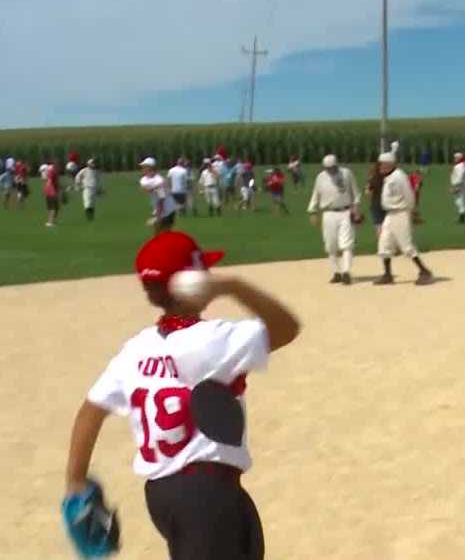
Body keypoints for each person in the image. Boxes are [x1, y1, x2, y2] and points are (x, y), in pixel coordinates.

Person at [62, 230, 300, 560]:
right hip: (206, 495)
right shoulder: (216, 340)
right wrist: (233, 286)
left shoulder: (136, 349)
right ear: (193, 280)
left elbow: (91, 410)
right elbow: (287, 327)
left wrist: (75, 483)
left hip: (163, 495)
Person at [374, 152, 434, 286]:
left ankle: (425, 272)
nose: (380, 167)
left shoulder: (399, 176)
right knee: (384, 244)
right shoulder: (388, 177)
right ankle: (387, 274)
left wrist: (412, 212)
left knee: (406, 245)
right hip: (390, 215)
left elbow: (409, 195)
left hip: (400, 213)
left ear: (390, 164)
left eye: (382, 164)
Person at [307, 155, 361, 285]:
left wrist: (356, 207)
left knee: (346, 243)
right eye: (328, 168)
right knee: (330, 245)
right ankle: (336, 272)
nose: (330, 170)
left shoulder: (347, 173)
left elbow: (356, 192)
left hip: (346, 212)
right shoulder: (320, 177)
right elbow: (316, 194)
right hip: (328, 213)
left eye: (332, 168)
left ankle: (346, 272)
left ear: (337, 165)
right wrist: (313, 211)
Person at [139, 157, 178, 234]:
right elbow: (145, 188)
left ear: (150, 168)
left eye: (144, 167)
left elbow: (161, 199)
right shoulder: (144, 179)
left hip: (168, 210)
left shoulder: (159, 180)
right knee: (157, 232)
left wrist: (158, 217)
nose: (142, 169)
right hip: (158, 209)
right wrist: (156, 187)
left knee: (164, 232)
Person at [366, 162, 386, 242]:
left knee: (379, 226)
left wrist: (368, 182)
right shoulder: (387, 177)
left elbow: (368, 193)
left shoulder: (373, 179)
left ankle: (381, 245)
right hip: (387, 204)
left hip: (376, 205)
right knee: (388, 227)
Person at [449, 152, 465, 224]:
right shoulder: (460, 165)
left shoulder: (460, 166)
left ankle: (462, 217)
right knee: (458, 200)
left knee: (459, 200)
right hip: (459, 185)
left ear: (459, 158)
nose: (454, 159)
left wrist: (456, 187)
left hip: (459, 185)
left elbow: (460, 177)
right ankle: (461, 216)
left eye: (456, 157)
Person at [43, 162, 61, 227]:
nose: (59, 167)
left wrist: (61, 188)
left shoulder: (53, 171)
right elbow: (49, 182)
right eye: (58, 165)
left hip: (49, 192)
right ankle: (50, 222)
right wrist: (53, 192)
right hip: (51, 192)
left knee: (55, 208)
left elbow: (56, 183)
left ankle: (51, 221)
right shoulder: (53, 171)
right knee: (53, 208)